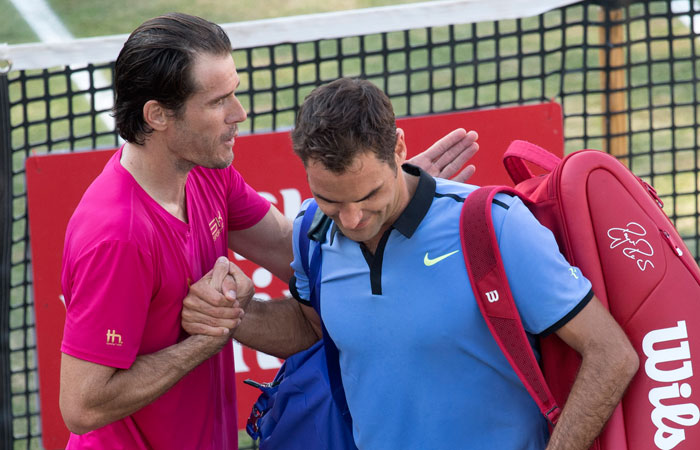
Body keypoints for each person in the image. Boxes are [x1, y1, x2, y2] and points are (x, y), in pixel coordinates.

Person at [58, 13, 479, 450]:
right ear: (158, 115)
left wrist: (387, 198)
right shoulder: (116, 236)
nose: (239, 113)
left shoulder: (206, 174)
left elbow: (294, 252)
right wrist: (205, 340)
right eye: (218, 101)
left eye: (234, 93)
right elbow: (82, 406)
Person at [184, 78, 639, 449]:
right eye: (329, 199)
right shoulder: (310, 233)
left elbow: (611, 354)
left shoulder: (497, 228)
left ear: (399, 148)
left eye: (369, 196)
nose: (352, 219)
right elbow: (313, 329)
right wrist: (235, 315)